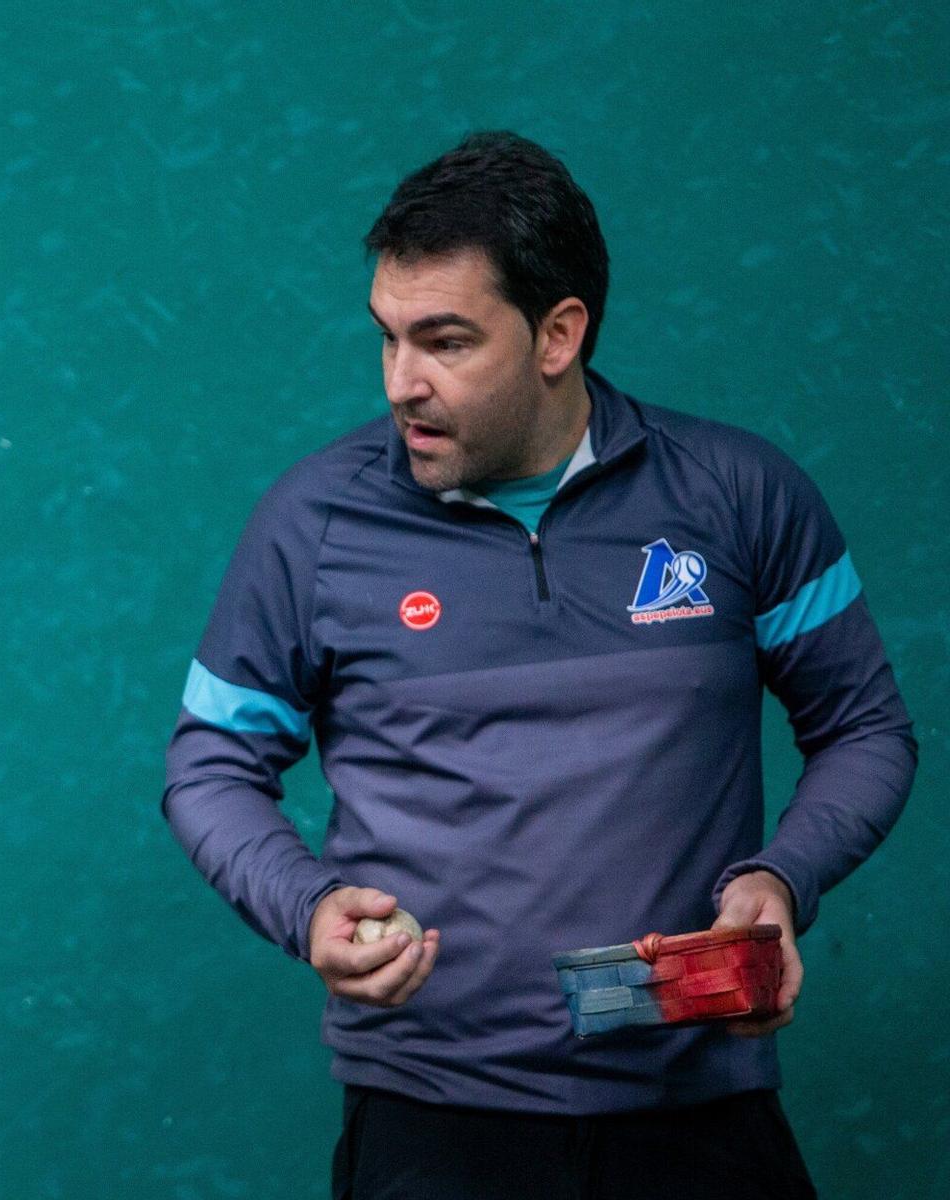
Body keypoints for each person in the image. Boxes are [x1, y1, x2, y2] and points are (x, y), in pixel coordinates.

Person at [163, 131, 915, 1199]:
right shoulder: (311, 523)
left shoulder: (740, 494)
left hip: (700, 1115)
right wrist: (306, 905)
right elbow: (208, 766)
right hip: (430, 1126)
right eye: (385, 338)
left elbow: (864, 730)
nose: (401, 382)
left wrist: (777, 880)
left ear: (557, 333)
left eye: (444, 341)